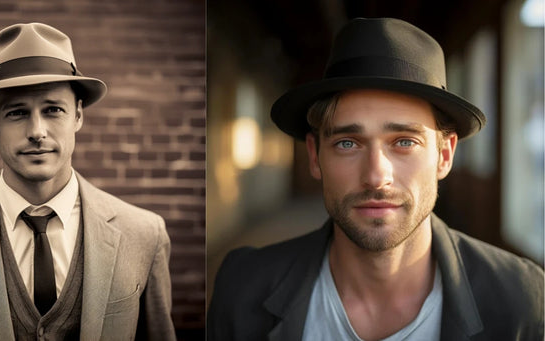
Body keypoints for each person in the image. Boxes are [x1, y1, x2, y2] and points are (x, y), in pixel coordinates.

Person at [207, 17, 544, 340]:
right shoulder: (241, 286)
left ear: (444, 155)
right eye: (347, 143)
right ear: (315, 156)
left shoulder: (521, 298)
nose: (376, 176)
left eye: (405, 142)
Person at [0, 22, 177, 340]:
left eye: (53, 109)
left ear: (79, 116)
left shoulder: (144, 234)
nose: (37, 131)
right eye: (17, 112)